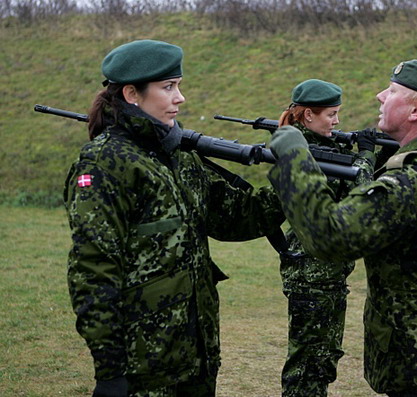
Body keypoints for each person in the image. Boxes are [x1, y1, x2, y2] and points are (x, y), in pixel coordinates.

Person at [267, 60, 417, 396]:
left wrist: (293, 157)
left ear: (416, 109)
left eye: (392, 92)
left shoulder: (410, 181)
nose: (381, 96)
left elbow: (329, 237)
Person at [63, 39, 285, 397]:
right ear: (132, 94)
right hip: (144, 368)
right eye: (168, 87)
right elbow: (93, 270)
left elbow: (238, 218)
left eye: (178, 85)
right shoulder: (106, 163)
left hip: (196, 357)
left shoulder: (180, 157)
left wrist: (295, 179)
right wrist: (109, 370)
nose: (180, 97)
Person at [276, 79, 376, 397]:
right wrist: (367, 157)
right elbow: (358, 197)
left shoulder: (325, 148)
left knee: (323, 360)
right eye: (331, 115)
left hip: (327, 274)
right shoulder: (303, 153)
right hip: (311, 275)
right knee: (306, 368)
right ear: (308, 116)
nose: (336, 121)